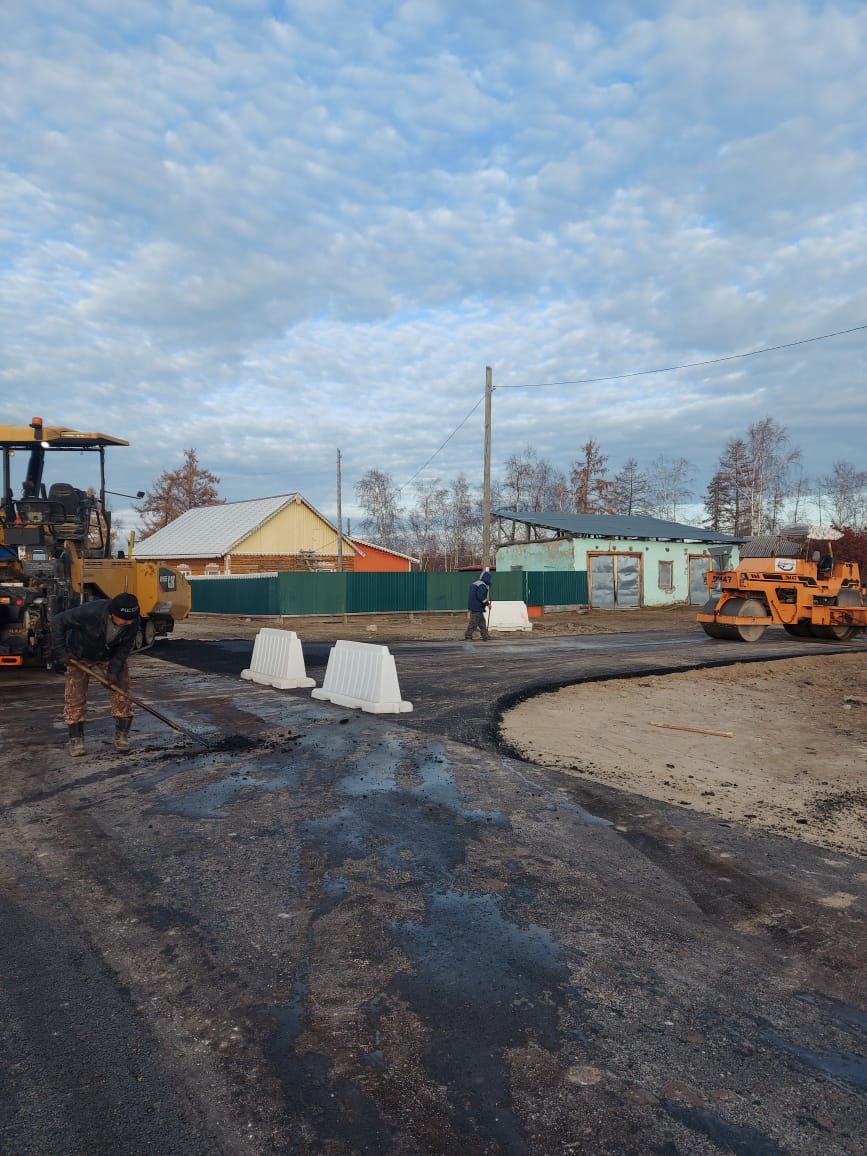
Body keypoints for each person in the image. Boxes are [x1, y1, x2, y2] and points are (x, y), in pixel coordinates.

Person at [51, 593, 140, 756]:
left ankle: (122, 736)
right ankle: (76, 739)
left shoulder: (133, 621)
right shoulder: (90, 612)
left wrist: (113, 671)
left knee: (122, 691)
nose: (130, 622)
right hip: (79, 654)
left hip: (109, 655)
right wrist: (61, 650)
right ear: (113, 614)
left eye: (132, 619)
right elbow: (58, 621)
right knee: (75, 694)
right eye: (125, 619)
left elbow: (124, 648)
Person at [464, 569, 492, 641]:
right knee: (474, 622)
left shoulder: (476, 583)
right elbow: (480, 596)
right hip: (477, 606)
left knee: (482, 622)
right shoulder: (482, 585)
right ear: (486, 578)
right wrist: (487, 604)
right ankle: (468, 635)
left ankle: (485, 636)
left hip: (474, 606)